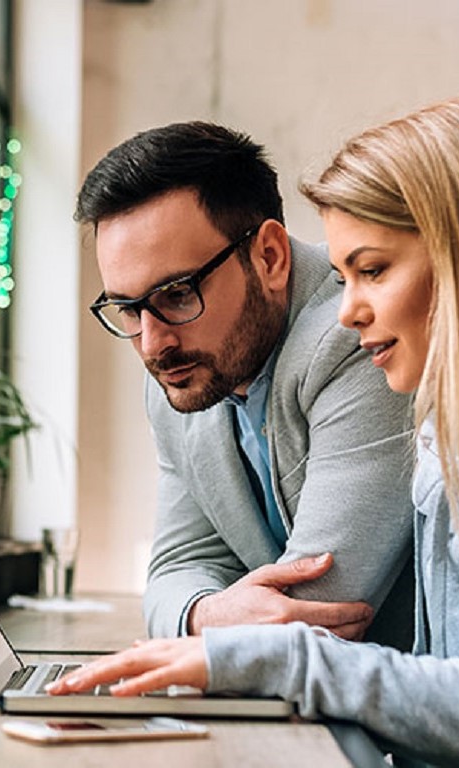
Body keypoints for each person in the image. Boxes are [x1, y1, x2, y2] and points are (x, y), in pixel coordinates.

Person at [51, 98, 459, 767]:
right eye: (345, 275)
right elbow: (178, 571)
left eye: (372, 270)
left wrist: (251, 653)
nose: (347, 311)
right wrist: (209, 633)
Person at [77, 122, 415, 648]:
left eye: (177, 294)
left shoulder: (363, 336)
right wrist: (204, 615)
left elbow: (317, 608)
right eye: (128, 309)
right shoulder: (186, 372)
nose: (151, 344)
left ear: (270, 258)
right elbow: (177, 567)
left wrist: (206, 621)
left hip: (403, 711)